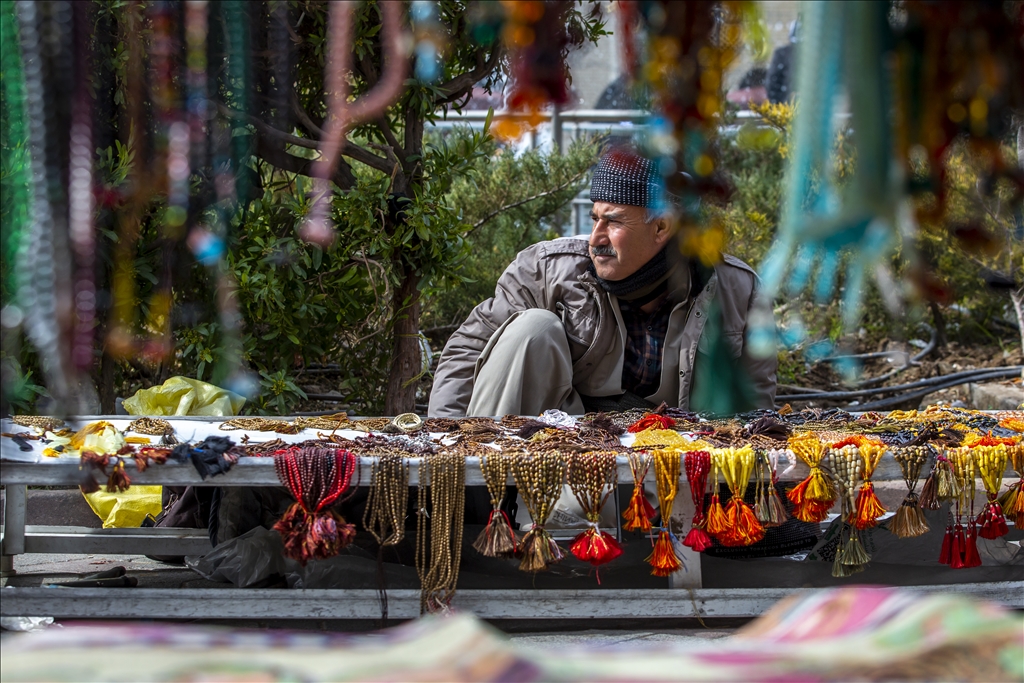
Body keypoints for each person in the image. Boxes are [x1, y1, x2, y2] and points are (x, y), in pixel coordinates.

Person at [429, 148, 777, 418]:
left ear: (661, 228)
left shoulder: (738, 290)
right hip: (549, 446)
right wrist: (446, 457)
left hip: (665, 464)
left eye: (613, 222)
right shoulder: (547, 270)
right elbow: (466, 352)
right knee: (533, 328)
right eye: (595, 218)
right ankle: (490, 503)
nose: (596, 238)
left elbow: (753, 406)